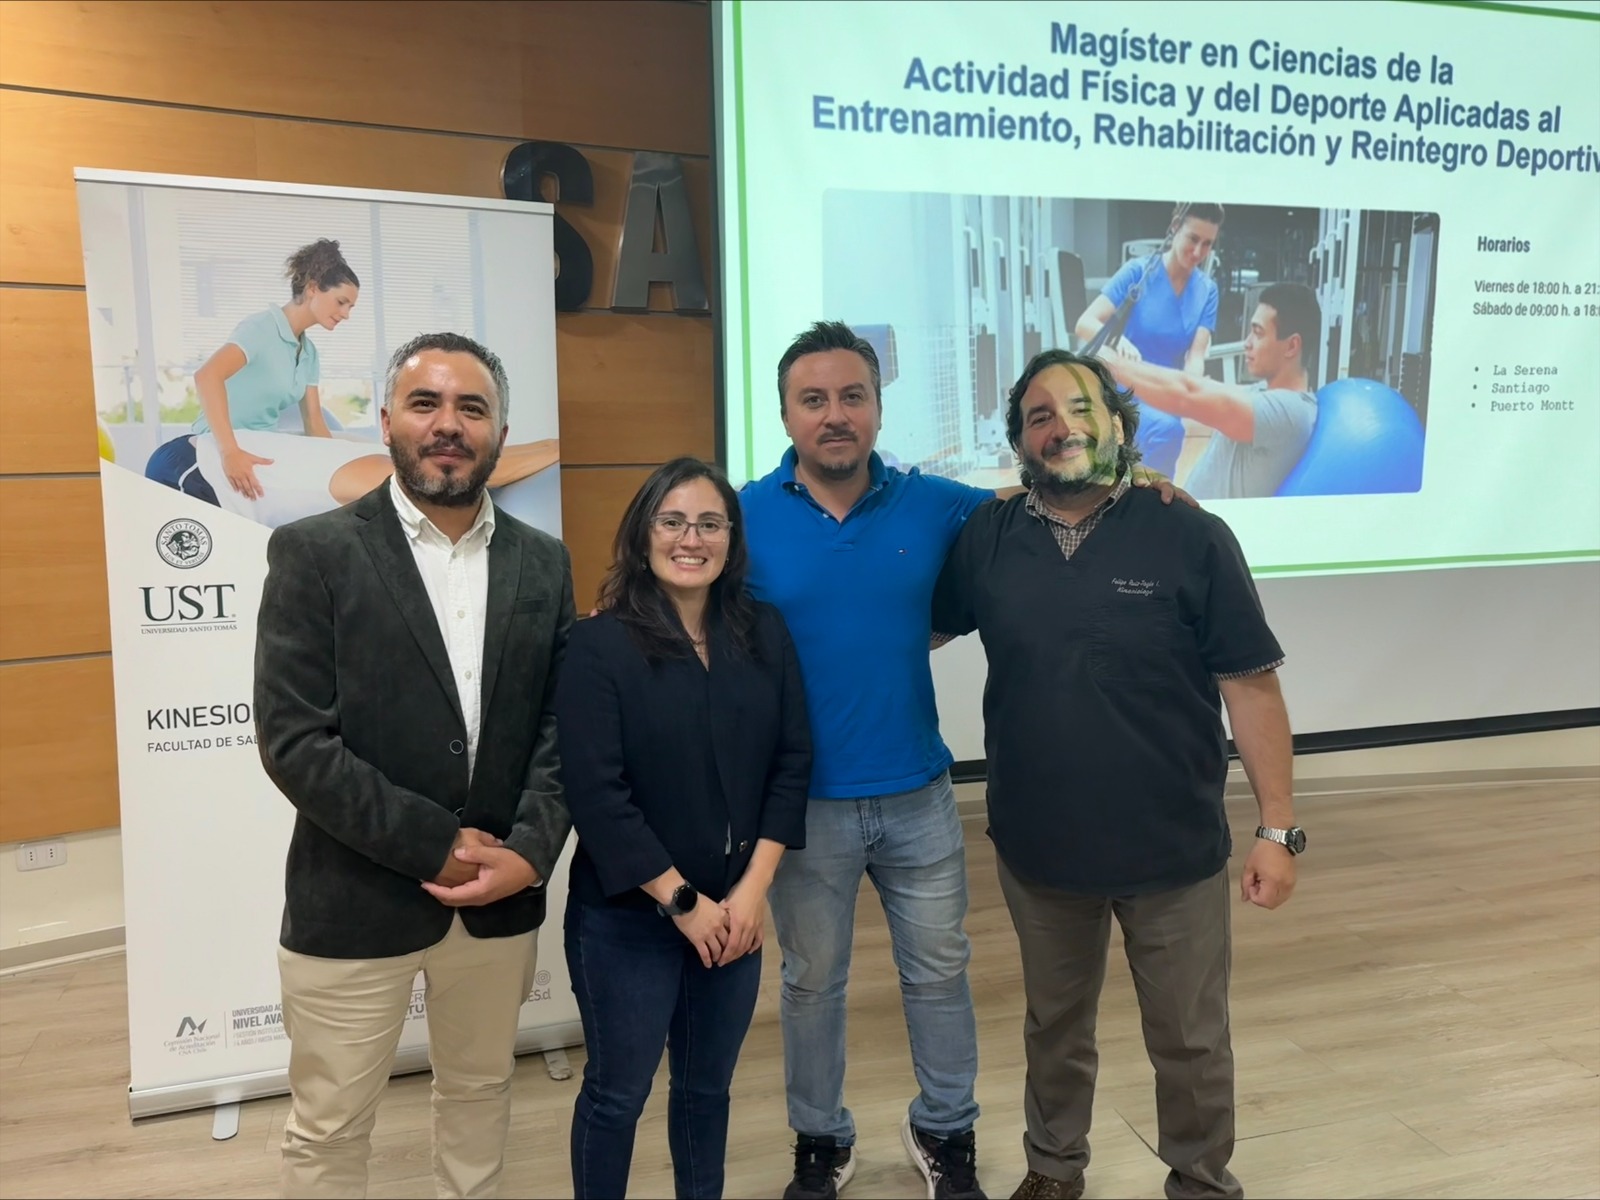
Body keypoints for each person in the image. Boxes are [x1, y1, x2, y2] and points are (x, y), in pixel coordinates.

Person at [739, 321, 1189, 1200]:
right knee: (809, 983)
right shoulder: (744, 516)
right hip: (800, 805)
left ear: (877, 406)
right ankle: (819, 1139)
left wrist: (1145, 482)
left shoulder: (940, 505)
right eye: (815, 399)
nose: (836, 415)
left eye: (853, 396)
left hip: (918, 792)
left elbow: (1059, 491)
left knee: (940, 976)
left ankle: (944, 1129)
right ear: (788, 413)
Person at [930, 349, 1304, 1200]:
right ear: (1021, 442)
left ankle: (1202, 1181)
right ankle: (1054, 1172)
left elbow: (1251, 687)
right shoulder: (989, 537)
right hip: (1040, 848)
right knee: (1054, 1028)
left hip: (1173, 850)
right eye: (1039, 416)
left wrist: (1277, 830)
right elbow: (916, 632)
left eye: (1080, 408)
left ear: (1121, 426)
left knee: (1190, 1037)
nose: (1060, 427)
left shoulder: (1191, 533)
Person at [254, 330, 576, 1199]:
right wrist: (437, 845)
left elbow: (562, 726)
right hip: (352, 900)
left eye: (472, 408)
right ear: (389, 420)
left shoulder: (544, 563)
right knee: (329, 1129)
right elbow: (295, 743)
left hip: (500, 897)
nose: (449, 425)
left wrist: (532, 850)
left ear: (500, 432)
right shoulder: (315, 552)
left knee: (480, 1096)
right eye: (426, 404)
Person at [555, 456, 812, 1200]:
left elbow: (792, 763)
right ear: (642, 537)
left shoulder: (762, 631)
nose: (690, 538)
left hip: (734, 914)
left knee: (706, 1092)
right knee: (616, 1095)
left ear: (731, 539)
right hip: (629, 920)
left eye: (709, 523)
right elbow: (598, 795)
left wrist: (752, 891)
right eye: (672, 521)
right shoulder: (598, 645)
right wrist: (681, 903)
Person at [146, 238, 358, 505]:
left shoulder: (309, 353)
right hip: (203, 454)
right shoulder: (262, 328)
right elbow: (207, 376)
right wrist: (230, 452)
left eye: (350, 307)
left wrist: (342, 468)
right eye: (341, 302)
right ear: (313, 288)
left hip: (257, 452)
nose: (346, 314)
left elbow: (315, 424)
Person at [1098, 283, 1322, 500]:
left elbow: (1188, 396)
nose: (1248, 343)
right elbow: (1200, 392)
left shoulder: (1290, 413)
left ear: (1292, 346)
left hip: (1203, 535)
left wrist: (1114, 366)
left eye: (1258, 333)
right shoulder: (1265, 392)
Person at [1074, 203, 1224, 480]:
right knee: (1168, 432)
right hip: (1126, 387)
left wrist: (1191, 391)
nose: (1198, 252)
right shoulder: (1138, 272)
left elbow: (1196, 356)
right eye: (1193, 239)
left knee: (1168, 432)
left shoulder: (1207, 290)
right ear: (1175, 228)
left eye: (1207, 244)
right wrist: (1116, 342)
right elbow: (1085, 323)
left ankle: (1144, 501)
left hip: (1167, 392)